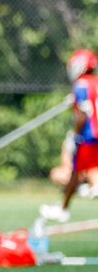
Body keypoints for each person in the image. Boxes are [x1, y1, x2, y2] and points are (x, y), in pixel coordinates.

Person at [41, 49, 98, 223]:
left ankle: (64, 210)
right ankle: (64, 208)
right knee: (77, 171)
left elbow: (82, 115)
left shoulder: (81, 85)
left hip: (91, 136)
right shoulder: (94, 83)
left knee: (77, 170)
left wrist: (76, 137)